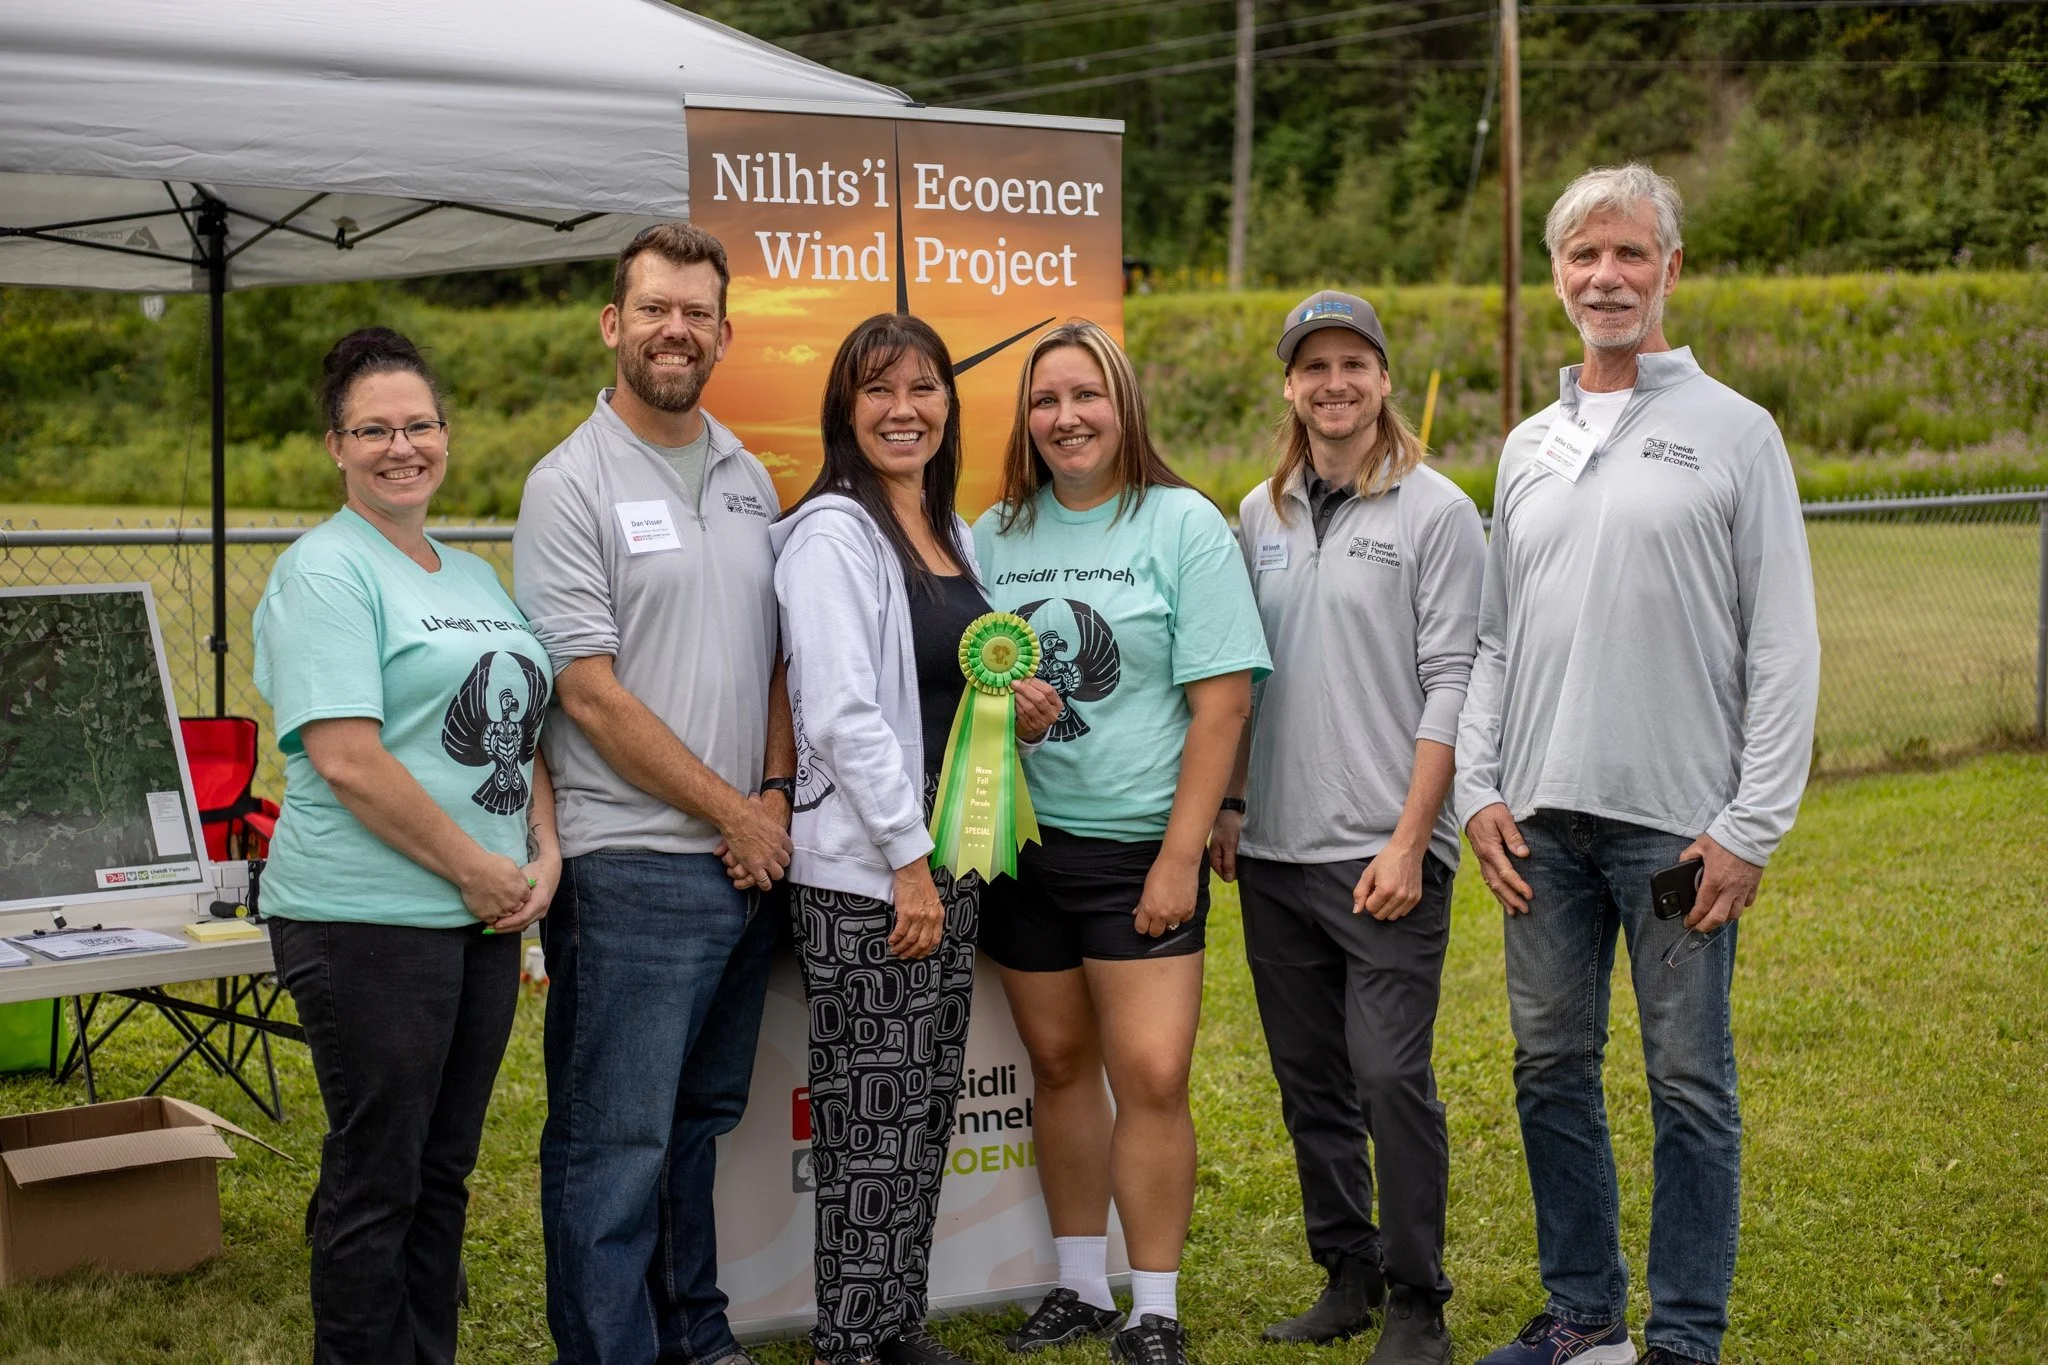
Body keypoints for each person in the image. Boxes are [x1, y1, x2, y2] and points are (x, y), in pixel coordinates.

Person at [1457, 165, 1820, 1365]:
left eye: (1626, 254)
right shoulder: (1525, 445)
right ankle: (1582, 1317)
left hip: (1673, 836)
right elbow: (1497, 636)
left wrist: (1748, 827)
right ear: (1553, 275)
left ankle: (1681, 1339)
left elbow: (1781, 645)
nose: (1602, 277)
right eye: (1579, 257)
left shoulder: (1734, 431)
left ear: (1669, 268)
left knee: (1685, 1083)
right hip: (1541, 834)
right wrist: (1477, 789)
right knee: (1549, 1068)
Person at [512, 223, 795, 1365]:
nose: (675, 330)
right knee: (611, 1144)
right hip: (631, 865)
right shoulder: (566, 483)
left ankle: (696, 1332)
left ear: (723, 333)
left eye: (696, 313)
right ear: (612, 324)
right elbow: (588, 692)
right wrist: (733, 813)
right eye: (655, 308)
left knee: (697, 1128)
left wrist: (770, 798)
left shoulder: (746, 473)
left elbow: (780, 659)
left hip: (744, 864)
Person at [254, 326, 560, 1365]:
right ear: (334, 447)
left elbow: (525, 727)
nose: (402, 446)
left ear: (447, 434)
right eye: (373, 429)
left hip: (478, 913)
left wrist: (540, 849)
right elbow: (347, 758)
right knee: (379, 1172)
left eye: (419, 424)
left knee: (443, 1170)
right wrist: (478, 867)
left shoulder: (472, 575)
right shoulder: (325, 571)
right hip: (366, 920)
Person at [974, 320, 1272, 1365]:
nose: (1065, 418)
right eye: (1045, 401)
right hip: (1020, 847)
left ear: (1123, 405)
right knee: (1057, 1066)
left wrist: (1179, 855)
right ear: (1025, 419)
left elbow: (1223, 704)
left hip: (1138, 849)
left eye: (1084, 396)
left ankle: (1152, 1304)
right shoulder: (991, 536)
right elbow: (960, 684)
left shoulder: (1181, 525)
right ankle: (1074, 1284)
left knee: (1148, 1074)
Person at [773, 313, 1063, 1365]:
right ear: (846, 411)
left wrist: (1017, 707)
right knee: (865, 1120)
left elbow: (951, 686)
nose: (905, 410)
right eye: (879, 391)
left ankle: (894, 1324)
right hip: (872, 873)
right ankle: (847, 1342)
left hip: (948, 857)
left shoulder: (954, 530)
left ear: (949, 401)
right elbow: (843, 712)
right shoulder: (830, 534)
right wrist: (905, 862)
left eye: (924, 388)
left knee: (921, 1105)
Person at [1210, 292, 1485, 1365]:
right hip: (1275, 852)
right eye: (1311, 366)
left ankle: (1417, 1296)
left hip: (1385, 852)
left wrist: (1413, 839)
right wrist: (1232, 805)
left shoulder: (1436, 511)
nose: (1332, 384)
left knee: (1385, 1074)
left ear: (1381, 379)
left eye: (1352, 365)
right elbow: (1236, 681)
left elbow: (1454, 681)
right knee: (1310, 1078)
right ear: (1287, 385)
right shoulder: (1255, 512)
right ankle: (1348, 1272)